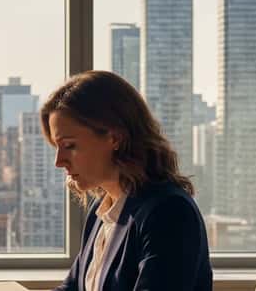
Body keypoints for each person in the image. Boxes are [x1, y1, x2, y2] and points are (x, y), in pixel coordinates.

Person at [43, 71, 212, 291]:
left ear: (114, 138)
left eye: (70, 146)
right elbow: (73, 287)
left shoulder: (169, 213)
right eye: (57, 147)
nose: (59, 161)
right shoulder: (103, 211)